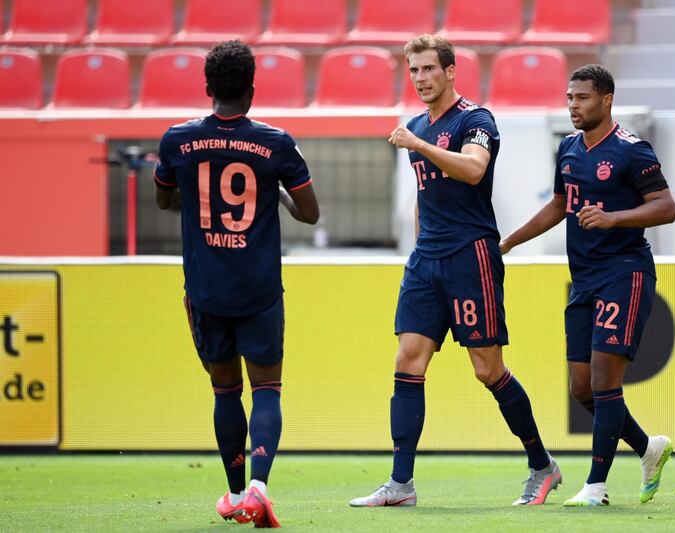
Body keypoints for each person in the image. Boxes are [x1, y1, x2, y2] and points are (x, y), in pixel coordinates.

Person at [350, 34, 560, 509]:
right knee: (408, 362)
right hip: (427, 260)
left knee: (488, 369)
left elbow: (472, 169)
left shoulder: (475, 120)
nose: (421, 78)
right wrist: (419, 248)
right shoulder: (416, 127)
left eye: (428, 69)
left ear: (450, 72)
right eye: (414, 71)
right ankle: (400, 484)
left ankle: (542, 464)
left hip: (471, 257)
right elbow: (427, 198)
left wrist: (418, 143)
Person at [153, 40, 319, 527]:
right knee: (266, 387)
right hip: (259, 289)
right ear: (251, 90)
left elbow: (164, 202)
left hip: (206, 290)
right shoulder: (276, 143)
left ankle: (232, 495)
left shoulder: (177, 141)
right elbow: (309, 214)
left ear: (207, 89)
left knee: (225, 391)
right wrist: (279, 195)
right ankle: (259, 489)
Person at [500, 64, 675, 507]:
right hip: (583, 279)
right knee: (581, 387)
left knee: (602, 378)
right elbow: (559, 205)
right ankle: (648, 447)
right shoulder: (567, 149)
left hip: (625, 271)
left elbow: (667, 207)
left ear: (606, 99)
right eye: (569, 98)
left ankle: (595, 487)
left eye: (581, 98)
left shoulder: (633, 150)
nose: (573, 105)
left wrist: (614, 217)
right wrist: (507, 243)